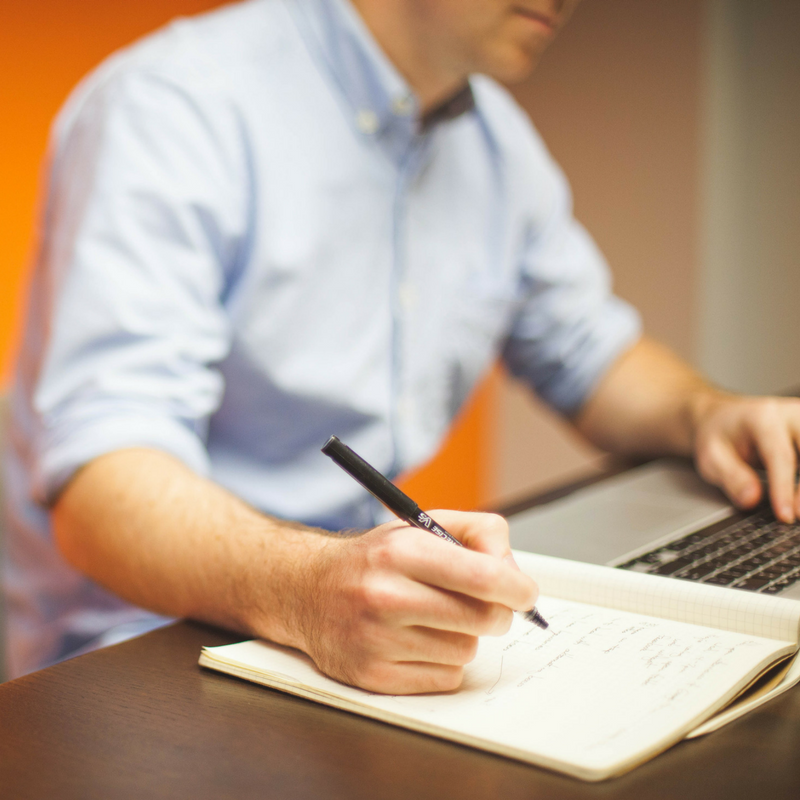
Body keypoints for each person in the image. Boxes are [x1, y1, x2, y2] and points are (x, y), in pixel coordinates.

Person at [4, 0, 800, 688]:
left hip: (349, 623)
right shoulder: (172, 107)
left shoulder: (494, 143)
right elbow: (101, 487)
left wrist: (706, 414)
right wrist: (310, 589)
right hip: (130, 660)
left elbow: (589, 352)